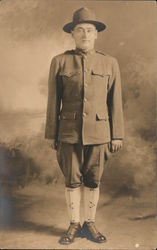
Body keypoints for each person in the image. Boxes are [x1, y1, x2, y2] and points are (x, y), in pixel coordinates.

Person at [45, 7, 124, 245]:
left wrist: (117, 134)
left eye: (90, 30)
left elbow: (115, 101)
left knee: (93, 180)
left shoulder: (110, 63)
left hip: (100, 133)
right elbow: (53, 101)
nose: (85, 35)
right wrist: (51, 133)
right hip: (68, 132)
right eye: (80, 30)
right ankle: (73, 224)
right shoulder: (59, 62)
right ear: (72, 34)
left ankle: (89, 223)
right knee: (72, 180)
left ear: (97, 34)